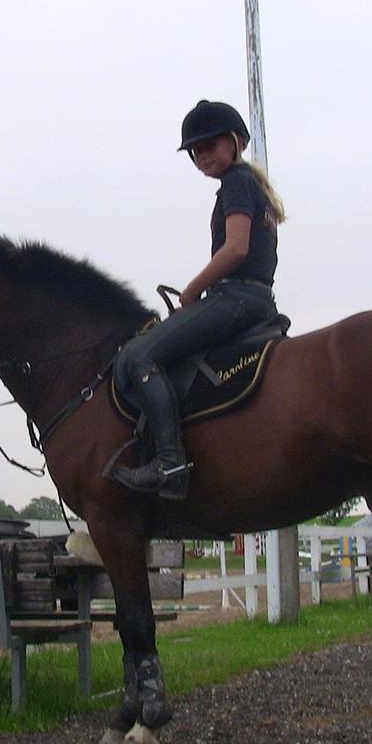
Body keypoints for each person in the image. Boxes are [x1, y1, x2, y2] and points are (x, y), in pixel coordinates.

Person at [110, 99, 287, 499]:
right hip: (253, 298)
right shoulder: (247, 184)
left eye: (210, 145)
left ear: (236, 142)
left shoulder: (238, 182)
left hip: (238, 296)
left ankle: (170, 462)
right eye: (195, 150)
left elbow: (237, 249)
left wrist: (191, 290)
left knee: (139, 356)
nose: (202, 155)